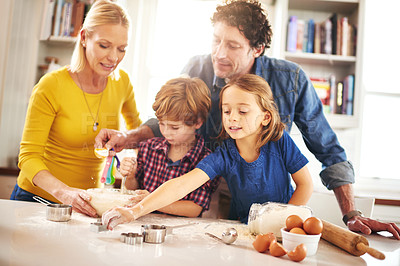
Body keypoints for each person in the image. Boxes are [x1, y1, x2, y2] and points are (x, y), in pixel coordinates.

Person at [96, 0, 400, 239]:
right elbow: (171, 121)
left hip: (273, 202)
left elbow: (328, 152)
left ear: (257, 49)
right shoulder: (198, 69)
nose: (218, 54)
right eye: (215, 41)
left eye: (232, 46)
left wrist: (351, 214)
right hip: (211, 191)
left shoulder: (290, 81)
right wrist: (129, 141)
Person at [102, 74, 313, 228]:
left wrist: (284, 221)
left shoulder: (280, 141)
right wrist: (133, 212)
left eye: (243, 111)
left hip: (286, 224)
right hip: (246, 227)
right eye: (227, 110)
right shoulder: (224, 155)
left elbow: (305, 184)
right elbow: (180, 185)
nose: (232, 117)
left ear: (265, 117)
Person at [10, 0, 141, 217]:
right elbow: (28, 157)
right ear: (83, 38)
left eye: (122, 49)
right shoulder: (51, 85)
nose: (114, 58)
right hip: (36, 199)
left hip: (88, 204)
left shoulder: (122, 82)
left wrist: (126, 140)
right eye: (104, 45)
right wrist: (65, 193)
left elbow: (139, 133)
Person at [118, 77, 220, 217]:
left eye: (174, 127)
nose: (166, 132)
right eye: (161, 123)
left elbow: (194, 209)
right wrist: (130, 176)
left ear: (197, 123)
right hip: (142, 224)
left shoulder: (205, 160)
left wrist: (150, 201)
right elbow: (134, 190)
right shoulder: (149, 148)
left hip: (181, 233)